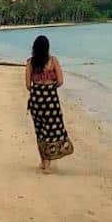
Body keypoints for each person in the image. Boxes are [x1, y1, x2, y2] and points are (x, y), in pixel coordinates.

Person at [25, 35, 74, 173]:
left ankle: (43, 162)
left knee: (40, 131)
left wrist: (38, 89)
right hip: (51, 101)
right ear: (47, 48)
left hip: (36, 101)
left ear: (34, 48)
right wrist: (49, 88)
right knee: (52, 130)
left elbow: (28, 85)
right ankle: (47, 165)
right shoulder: (53, 61)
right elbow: (60, 81)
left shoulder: (30, 63)